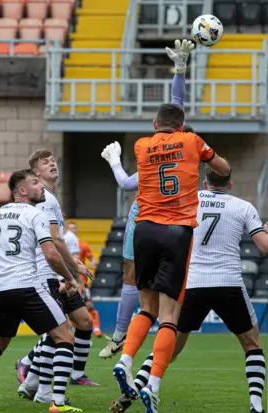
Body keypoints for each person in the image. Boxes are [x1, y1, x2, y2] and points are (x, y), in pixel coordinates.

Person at [112, 38, 231, 412]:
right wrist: (204, 156)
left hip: (143, 228)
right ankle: (155, 383)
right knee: (170, 315)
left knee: (144, 307)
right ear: (182, 127)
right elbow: (224, 170)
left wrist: (179, 71)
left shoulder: (142, 147)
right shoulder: (193, 141)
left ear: (153, 125)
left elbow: (171, 115)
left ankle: (125, 360)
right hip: (177, 230)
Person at [110, 169, 268, 413]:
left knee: (168, 348)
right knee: (252, 344)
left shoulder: (188, 201)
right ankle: (256, 406)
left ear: (205, 182)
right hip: (228, 283)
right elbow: (264, 247)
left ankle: (134, 393)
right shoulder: (243, 206)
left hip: (191, 283)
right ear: (230, 184)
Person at [0, 169, 84, 413]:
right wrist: (70, 278)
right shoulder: (35, 214)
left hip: (1, 290)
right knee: (65, 337)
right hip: (28, 286)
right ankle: (57, 402)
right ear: (21, 190)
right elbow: (51, 254)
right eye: (34, 183)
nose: (41, 187)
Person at [99, 40, 192, 359]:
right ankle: (125, 336)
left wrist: (113, 160)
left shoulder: (156, 152)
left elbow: (126, 183)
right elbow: (176, 103)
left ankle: (123, 336)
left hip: (146, 218)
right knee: (147, 282)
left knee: (134, 276)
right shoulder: (183, 146)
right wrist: (180, 70)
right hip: (174, 220)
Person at [16, 149, 99, 396]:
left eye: (53, 160)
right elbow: (54, 240)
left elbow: (56, 240)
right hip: (46, 272)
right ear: (36, 172)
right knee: (59, 330)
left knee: (82, 321)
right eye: (45, 162)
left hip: (54, 271)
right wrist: (74, 269)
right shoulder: (46, 200)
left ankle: (35, 379)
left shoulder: (50, 197)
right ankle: (37, 383)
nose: (52, 163)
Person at [66, 222, 102, 338]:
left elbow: (93, 260)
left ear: (77, 230)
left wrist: (91, 264)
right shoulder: (63, 243)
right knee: (69, 308)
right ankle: (72, 333)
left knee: (87, 306)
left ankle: (95, 330)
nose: (72, 230)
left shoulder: (83, 245)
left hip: (82, 280)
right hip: (68, 280)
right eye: (70, 229)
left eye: (74, 228)